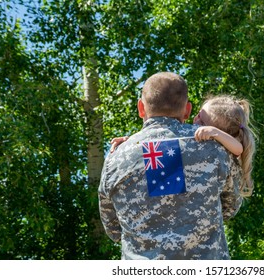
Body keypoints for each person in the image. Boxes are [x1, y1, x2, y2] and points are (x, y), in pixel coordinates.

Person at [98, 72, 243, 260]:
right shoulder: (215, 148)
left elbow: (113, 229)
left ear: (141, 108)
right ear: (187, 110)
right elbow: (231, 207)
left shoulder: (116, 157)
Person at [111, 94, 256, 196]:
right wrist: (129, 142)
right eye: (198, 115)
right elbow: (159, 141)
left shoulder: (219, 146)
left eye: (202, 121)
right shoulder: (196, 141)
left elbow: (238, 149)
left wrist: (214, 133)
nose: (195, 121)